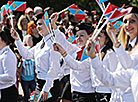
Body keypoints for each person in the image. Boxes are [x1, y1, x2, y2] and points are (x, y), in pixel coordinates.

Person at [11, 13, 61, 102]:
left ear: (49, 25)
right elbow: (27, 55)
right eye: (37, 24)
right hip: (39, 83)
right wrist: (17, 39)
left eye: (41, 24)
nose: (38, 27)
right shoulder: (41, 43)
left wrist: (46, 89)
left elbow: (54, 68)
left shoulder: (54, 42)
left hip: (50, 85)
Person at [0, 27, 18, 102]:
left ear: (3, 40)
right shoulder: (2, 53)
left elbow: (10, 76)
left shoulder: (7, 55)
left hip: (8, 92)